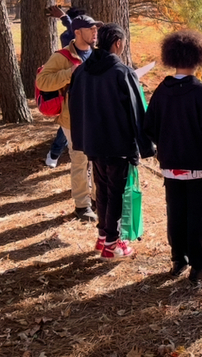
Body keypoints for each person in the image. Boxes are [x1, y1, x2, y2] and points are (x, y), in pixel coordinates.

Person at [143, 30, 202, 282]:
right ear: (199, 58)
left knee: (176, 213)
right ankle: (199, 265)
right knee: (198, 217)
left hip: (171, 166)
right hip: (200, 168)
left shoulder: (162, 91)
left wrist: (166, 145)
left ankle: (177, 259)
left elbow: (149, 127)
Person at [69, 23, 153, 258]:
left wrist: (81, 139)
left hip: (92, 142)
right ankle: (113, 244)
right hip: (117, 144)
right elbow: (136, 111)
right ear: (117, 43)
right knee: (115, 191)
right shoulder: (122, 72)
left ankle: (103, 237)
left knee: (103, 189)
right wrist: (146, 146)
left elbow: (74, 106)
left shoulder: (82, 71)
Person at [36, 14, 102, 220]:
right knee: (80, 160)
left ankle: (98, 199)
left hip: (97, 117)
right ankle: (82, 205)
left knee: (98, 160)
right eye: (91, 29)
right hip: (73, 119)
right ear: (77, 32)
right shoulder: (62, 57)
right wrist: (69, 73)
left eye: (96, 29)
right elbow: (43, 82)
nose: (95, 32)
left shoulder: (98, 55)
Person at [45, 6, 86, 168]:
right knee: (69, 123)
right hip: (73, 88)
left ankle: (56, 154)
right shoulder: (68, 37)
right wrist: (63, 17)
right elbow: (74, 31)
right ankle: (54, 154)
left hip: (85, 88)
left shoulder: (88, 40)